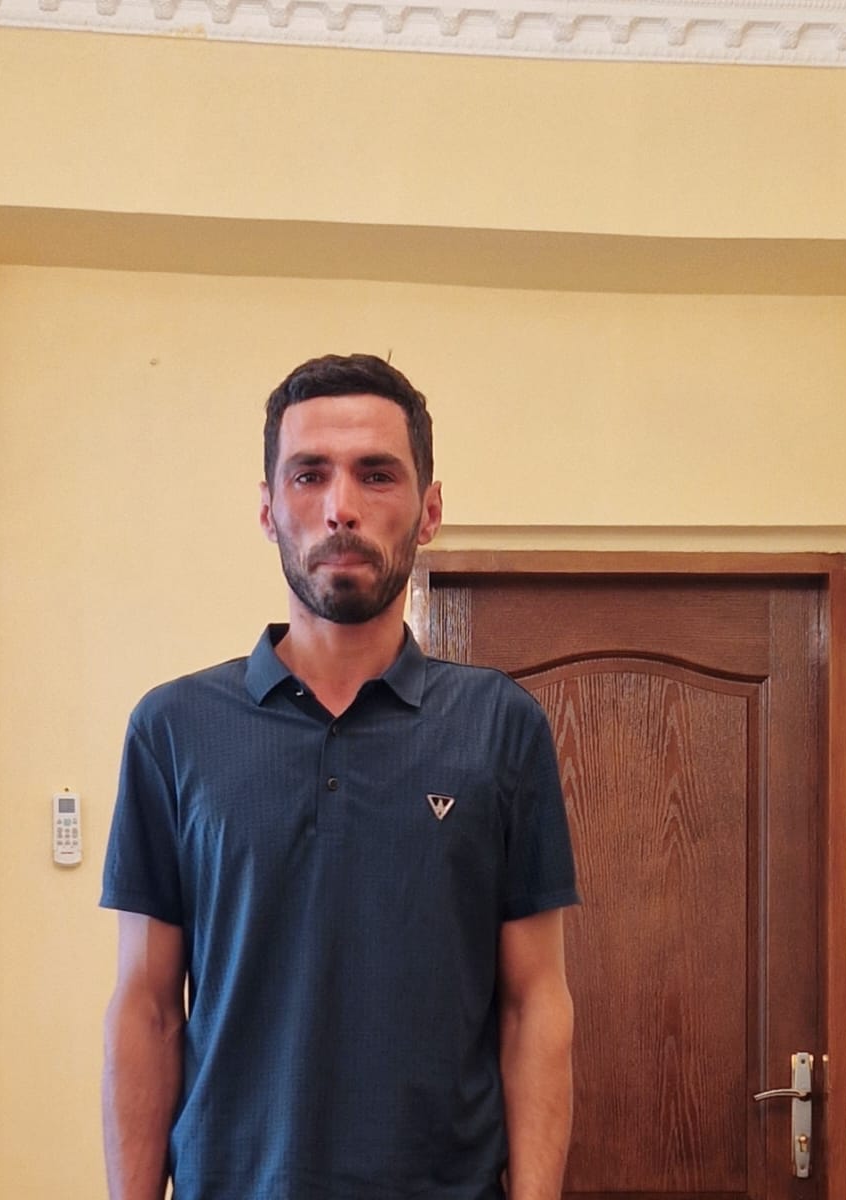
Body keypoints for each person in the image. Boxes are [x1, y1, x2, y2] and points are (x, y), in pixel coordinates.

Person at [100, 354, 580, 1200]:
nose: (341, 507)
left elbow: (534, 1005)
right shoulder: (173, 729)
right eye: (309, 474)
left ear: (430, 510)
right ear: (267, 507)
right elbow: (146, 1009)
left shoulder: (500, 726)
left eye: (377, 474)